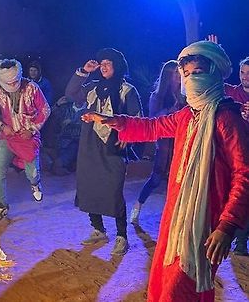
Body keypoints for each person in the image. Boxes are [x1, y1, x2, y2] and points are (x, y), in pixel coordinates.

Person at [83, 41, 249, 301]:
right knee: (163, 283)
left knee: (180, 288)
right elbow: (153, 127)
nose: (191, 80)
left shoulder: (226, 118)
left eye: (198, 73)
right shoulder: (187, 115)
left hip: (204, 220)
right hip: (175, 216)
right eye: (186, 74)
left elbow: (244, 175)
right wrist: (117, 122)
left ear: (214, 74)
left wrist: (227, 226)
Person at [66, 48, 143, 255]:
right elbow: (71, 93)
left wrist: (129, 137)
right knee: (89, 185)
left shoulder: (127, 90)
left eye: (109, 63)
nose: (104, 66)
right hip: (90, 144)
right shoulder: (92, 87)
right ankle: (98, 229)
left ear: (117, 66)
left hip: (114, 144)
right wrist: (84, 70)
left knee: (113, 189)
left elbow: (137, 117)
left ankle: (121, 236)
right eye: (102, 63)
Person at [0, 59, 50, 222]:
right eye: (9, 82)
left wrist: (32, 128)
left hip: (28, 138)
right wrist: (1, 126)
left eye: (15, 81)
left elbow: (45, 109)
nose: (13, 84)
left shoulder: (32, 88)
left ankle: (35, 184)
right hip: (8, 137)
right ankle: (1, 207)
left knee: (32, 174)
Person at [130, 60, 186, 225]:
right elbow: (153, 118)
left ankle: (176, 216)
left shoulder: (185, 95)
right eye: (175, 74)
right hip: (165, 143)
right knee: (156, 177)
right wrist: (171, 110)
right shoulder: (158, 96)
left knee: (179, 178)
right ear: (168, 77)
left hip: (181, 141)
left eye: (179, 73)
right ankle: (138, 205)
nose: (178, 77)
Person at [224, 56, 249, 256]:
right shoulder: (232, 92)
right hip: (235, 153)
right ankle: (239, 240)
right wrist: (212, 53)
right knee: (237, 194)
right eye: (242, 72)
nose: (245, 77)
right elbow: (210, 79)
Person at [43, 96, 84, 175]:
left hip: (77, 141)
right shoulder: (65, 108)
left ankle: (58, 164)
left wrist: (72, 123)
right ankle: (56, 164)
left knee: (72, 148)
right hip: (61, 139)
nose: (79, 97)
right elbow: (47, 116)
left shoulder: (89, 110)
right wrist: (57, 105)